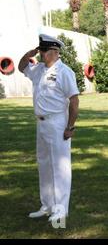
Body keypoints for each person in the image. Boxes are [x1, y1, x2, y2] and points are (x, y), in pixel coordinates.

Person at [18, 34, 79, 223]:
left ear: (55, 52)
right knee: (44, 165)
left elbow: (74, 101)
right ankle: (47, 205)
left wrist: (70, 126)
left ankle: (61, 210)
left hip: (57, 123)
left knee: (60, 167)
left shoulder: (64, 72)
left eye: (44, 51)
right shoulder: (39, 70)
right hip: (41, 123)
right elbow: (21, 67)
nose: (42, 54)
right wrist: (29, 53)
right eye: (41, 51)